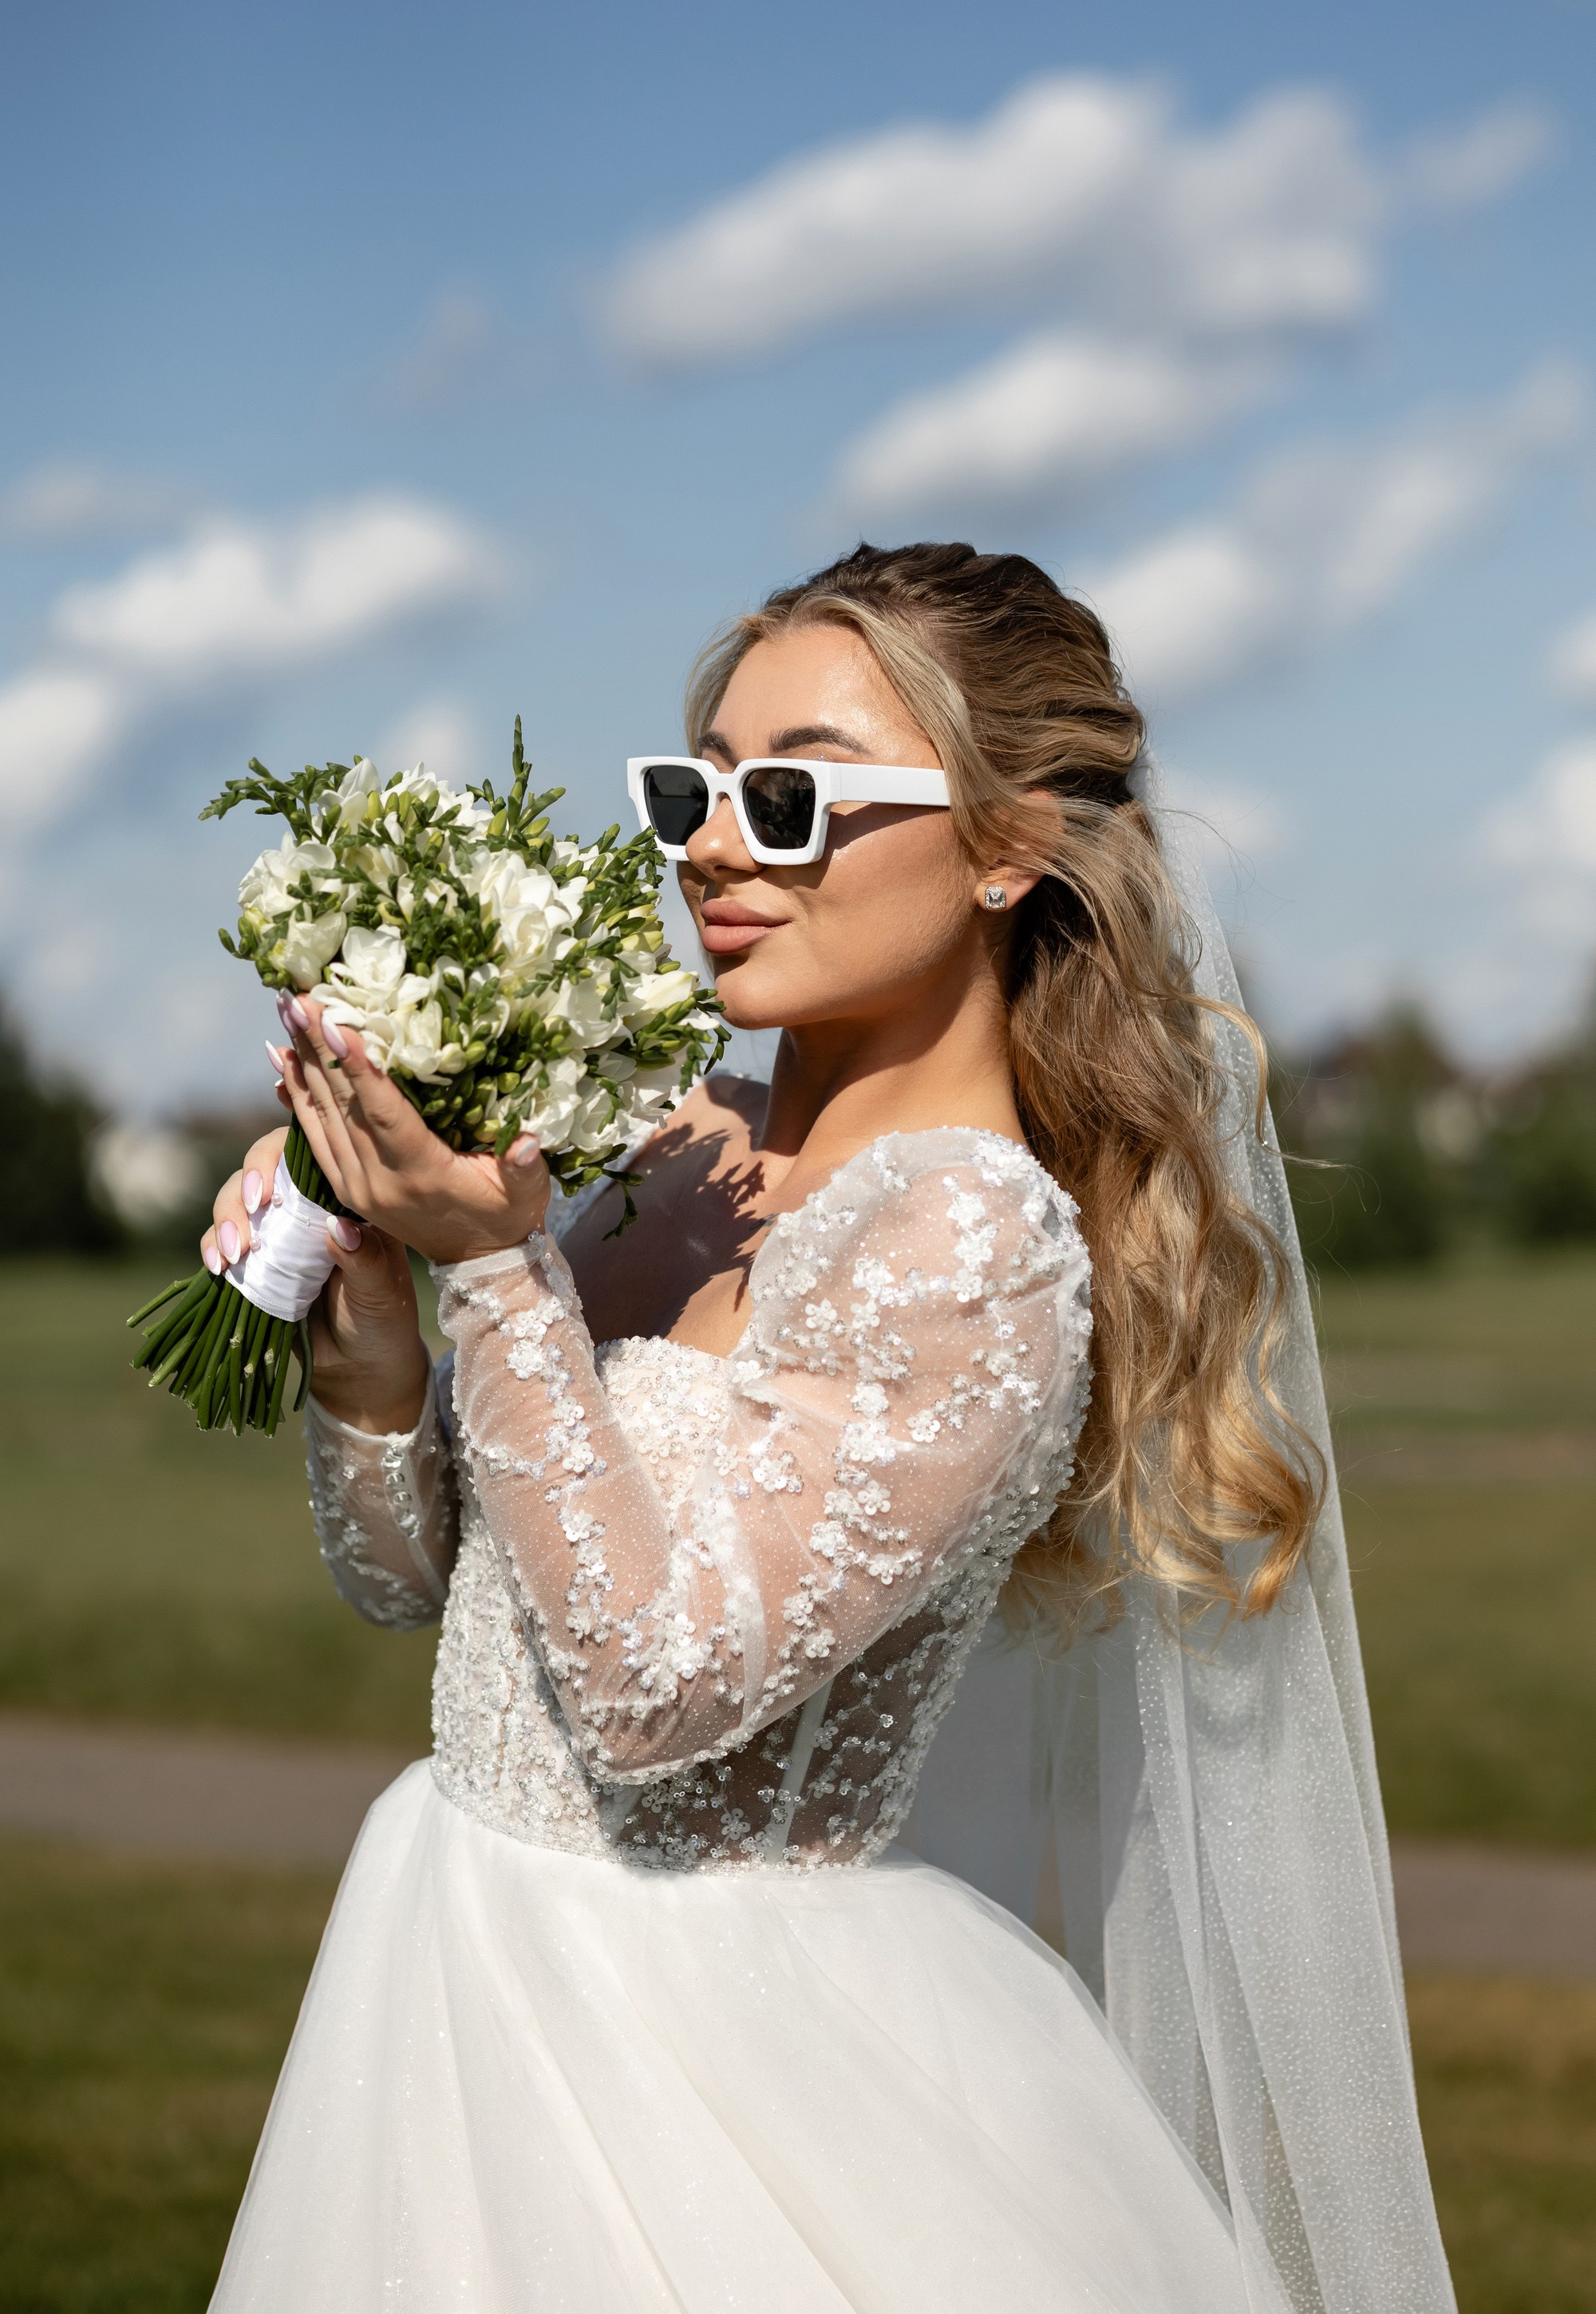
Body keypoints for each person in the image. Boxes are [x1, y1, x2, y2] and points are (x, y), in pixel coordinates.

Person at [204, 543, 1456, 2314]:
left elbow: (654, 1689)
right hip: (451, 1949)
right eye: (695, 787)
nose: (712, 844)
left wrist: (492, 1272)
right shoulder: (675, 1150)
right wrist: (374, 1347)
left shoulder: (966, 1244)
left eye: (787, 796)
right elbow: (432, 1592)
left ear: (1007, 846)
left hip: (717, 2066)